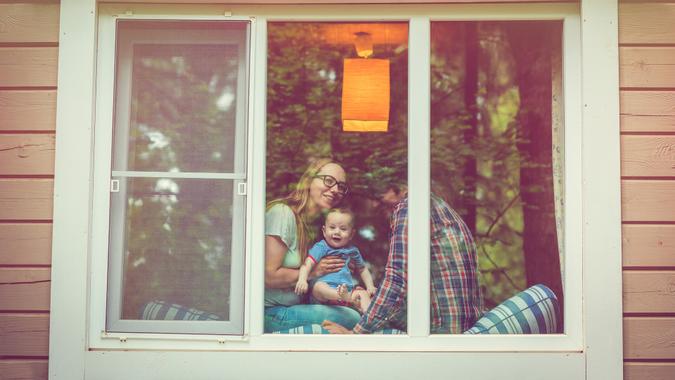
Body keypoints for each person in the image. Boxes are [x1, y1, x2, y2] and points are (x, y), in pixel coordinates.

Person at [322, 186, 485, 334]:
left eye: (379, 198)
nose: (376, 207)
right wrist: (369, 305)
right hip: (459, 329)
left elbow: (397, 280)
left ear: (394, 189)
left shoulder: (409, 207)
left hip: (439, 334)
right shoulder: (442, 209)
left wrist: (356, 333)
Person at [264, 158, 361, 332]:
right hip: (269, 313)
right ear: (309, 180)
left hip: (295, 307)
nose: (335, 190)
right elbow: (268, 276)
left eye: (341, 186)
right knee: (352, 318)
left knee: (355, 307)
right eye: (329, 181)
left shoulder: (319, 227)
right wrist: (315, 271)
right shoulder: (282, 213)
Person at [295, 208, 377, 313]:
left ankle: (369, 316)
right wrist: (302, 279)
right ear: (324, 231)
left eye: (343, 229)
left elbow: (362, 269)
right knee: (319, 287)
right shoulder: (321, 247)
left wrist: (370, 286)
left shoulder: (352, 251)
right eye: (332, 227)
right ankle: (341, 296)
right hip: (323, 295)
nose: (337, 232)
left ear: (351, 234)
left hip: (346, 291)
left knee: (363, 294)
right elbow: (307, 264)